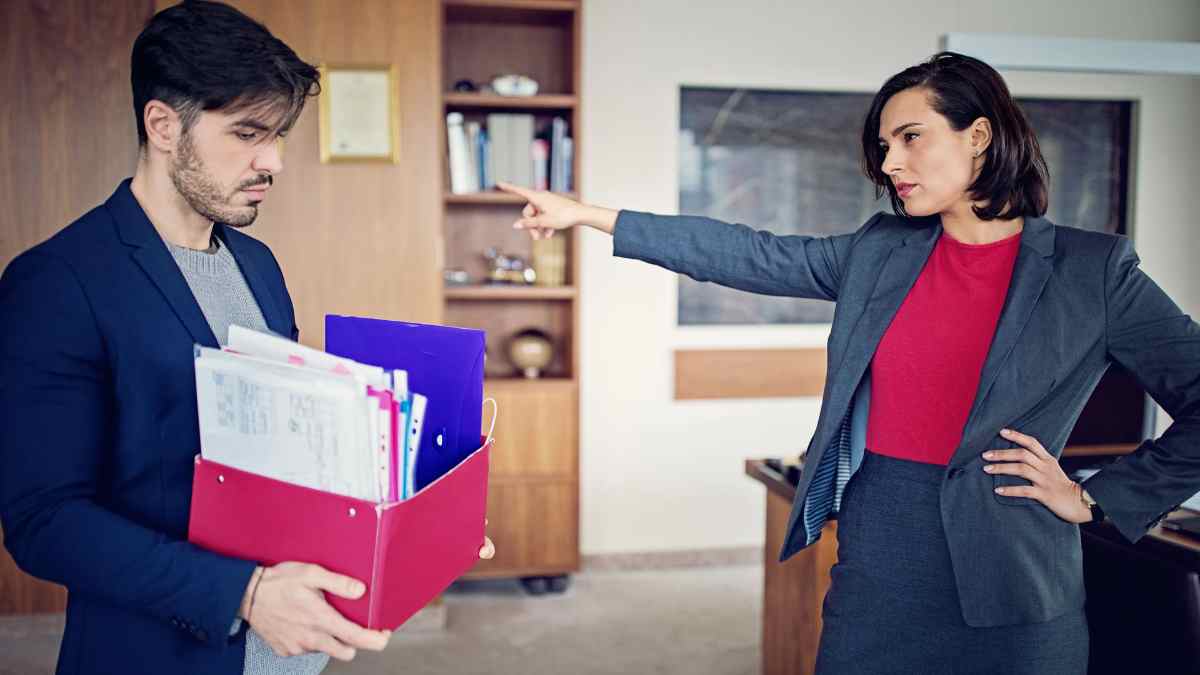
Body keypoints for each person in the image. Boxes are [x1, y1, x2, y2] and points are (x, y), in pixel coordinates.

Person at [498, 51, 1200, 674]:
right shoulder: (880, 249)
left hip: (1016, 575)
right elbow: (749, 253)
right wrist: (589, 215)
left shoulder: (1092, 271)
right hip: (880, 553)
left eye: (911, 137)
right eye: (885, 145)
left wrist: (1094, 495)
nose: (890, 163)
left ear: (979, 135)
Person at [0, 2, 493, 673]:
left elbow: (293, 456)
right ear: (163, 125)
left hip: (290, 657)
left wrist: (421, 521)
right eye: (248, 133)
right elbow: (44, 522)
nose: (275, 161)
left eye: (280, 134)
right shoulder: (57, 281)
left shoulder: (257, 264)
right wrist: (247, 593)